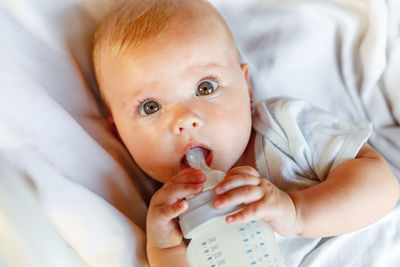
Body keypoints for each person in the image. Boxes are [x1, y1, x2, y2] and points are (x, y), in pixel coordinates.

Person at [92, 0, 400, 266]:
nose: (185, 120)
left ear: (246, 88)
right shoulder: (169, 212)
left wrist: (297, 212)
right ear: (120, 136)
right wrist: (165, 248)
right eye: (150, 107)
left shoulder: (284, 126)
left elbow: (382, 185)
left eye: (205, 87)